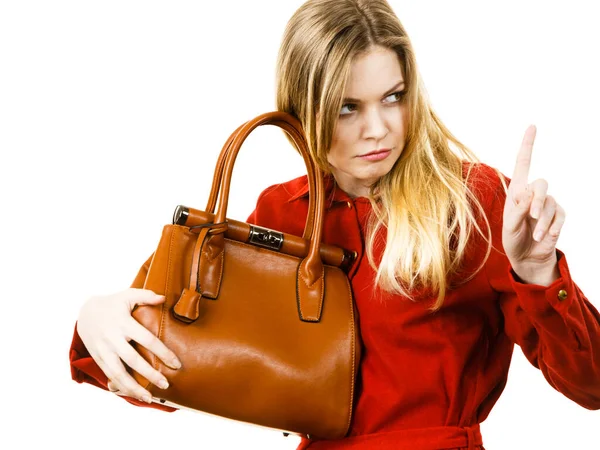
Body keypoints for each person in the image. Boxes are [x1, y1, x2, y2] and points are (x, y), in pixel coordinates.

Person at [69, 0, 600, 449]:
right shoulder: (281, 213)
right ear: (303, 110)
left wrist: (539, 273)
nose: (379, 129)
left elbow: (592, 385)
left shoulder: (477, 201)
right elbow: (202, 370)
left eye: (394, 97)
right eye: (347, 108)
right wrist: (96, 323)